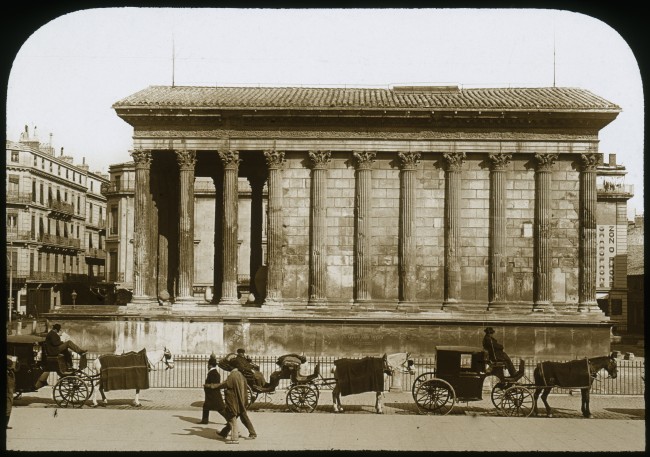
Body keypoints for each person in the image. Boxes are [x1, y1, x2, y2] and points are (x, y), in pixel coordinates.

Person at [205, 368, 257, 444]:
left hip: (233, 402)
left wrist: (211, 386)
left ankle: (234, 438)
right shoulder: (241, 376)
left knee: (232, 418)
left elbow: (224, 384)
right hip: (241, 401)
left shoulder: (232, 376)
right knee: (242, 417)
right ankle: (224, 433)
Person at [198, 353, 226, 425]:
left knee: (220, 409)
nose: (207, 366)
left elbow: (214, 385)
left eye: (208, 364)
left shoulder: (213, 373)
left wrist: (207, 385)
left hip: (213, 394)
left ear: (210, 365)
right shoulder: (214, 372)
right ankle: (204, 420)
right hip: (211, 394)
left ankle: (230, 420)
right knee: (206, 407)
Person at [7, 356, 16, 429]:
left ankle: (5, 425)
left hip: (10, 393)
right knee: (7, 409)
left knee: (8, 409)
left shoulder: (11, 372)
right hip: (7, 393)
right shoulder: (9, 373)